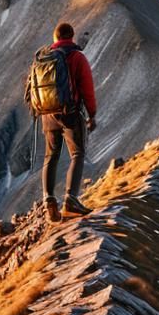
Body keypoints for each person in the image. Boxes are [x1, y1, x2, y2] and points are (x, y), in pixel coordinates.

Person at [41, 22, 96, 221]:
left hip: (47, 115)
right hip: (70, 114)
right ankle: (71, 200)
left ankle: (49, 201)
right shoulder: (76, 57)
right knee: (77, 154)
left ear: (55, 38)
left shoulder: (44, 59)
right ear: (71, 37)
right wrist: (92, 114)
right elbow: (87, 89)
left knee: (51, 156)